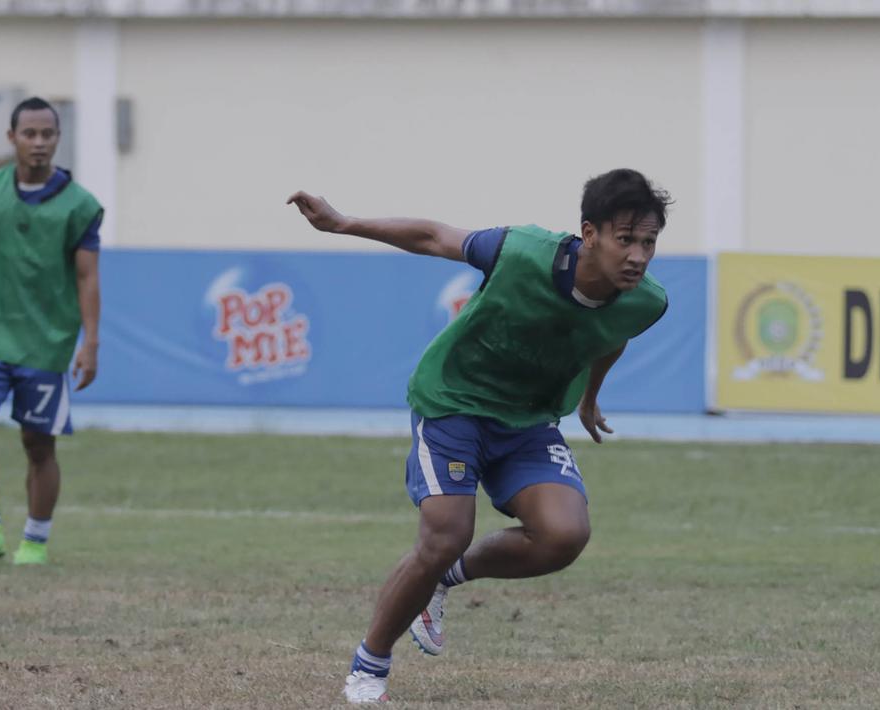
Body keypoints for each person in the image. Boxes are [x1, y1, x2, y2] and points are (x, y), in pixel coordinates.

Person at [287, 168, 672, 704]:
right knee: (446, 532)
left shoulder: (645, 301)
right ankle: (370, 662)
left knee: (564, 536)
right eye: (625, 239)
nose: (638, 255)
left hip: (529, 420)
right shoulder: (521, 251)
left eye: (648, 242)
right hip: (453, 402)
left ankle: (445, 580)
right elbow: (433, 236)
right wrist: (344, 222)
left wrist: (589, 397)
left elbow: (613, 335)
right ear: (590, 234)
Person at [0, 97, 103, 566]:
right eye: (29, 133)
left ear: (57, 139)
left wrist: (90, 342)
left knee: (37, 442)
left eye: (47, 134)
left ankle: (35, 540)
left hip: (45, 343)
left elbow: (88, 277)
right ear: (11, 138)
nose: (39, 142)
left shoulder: (80, 206)